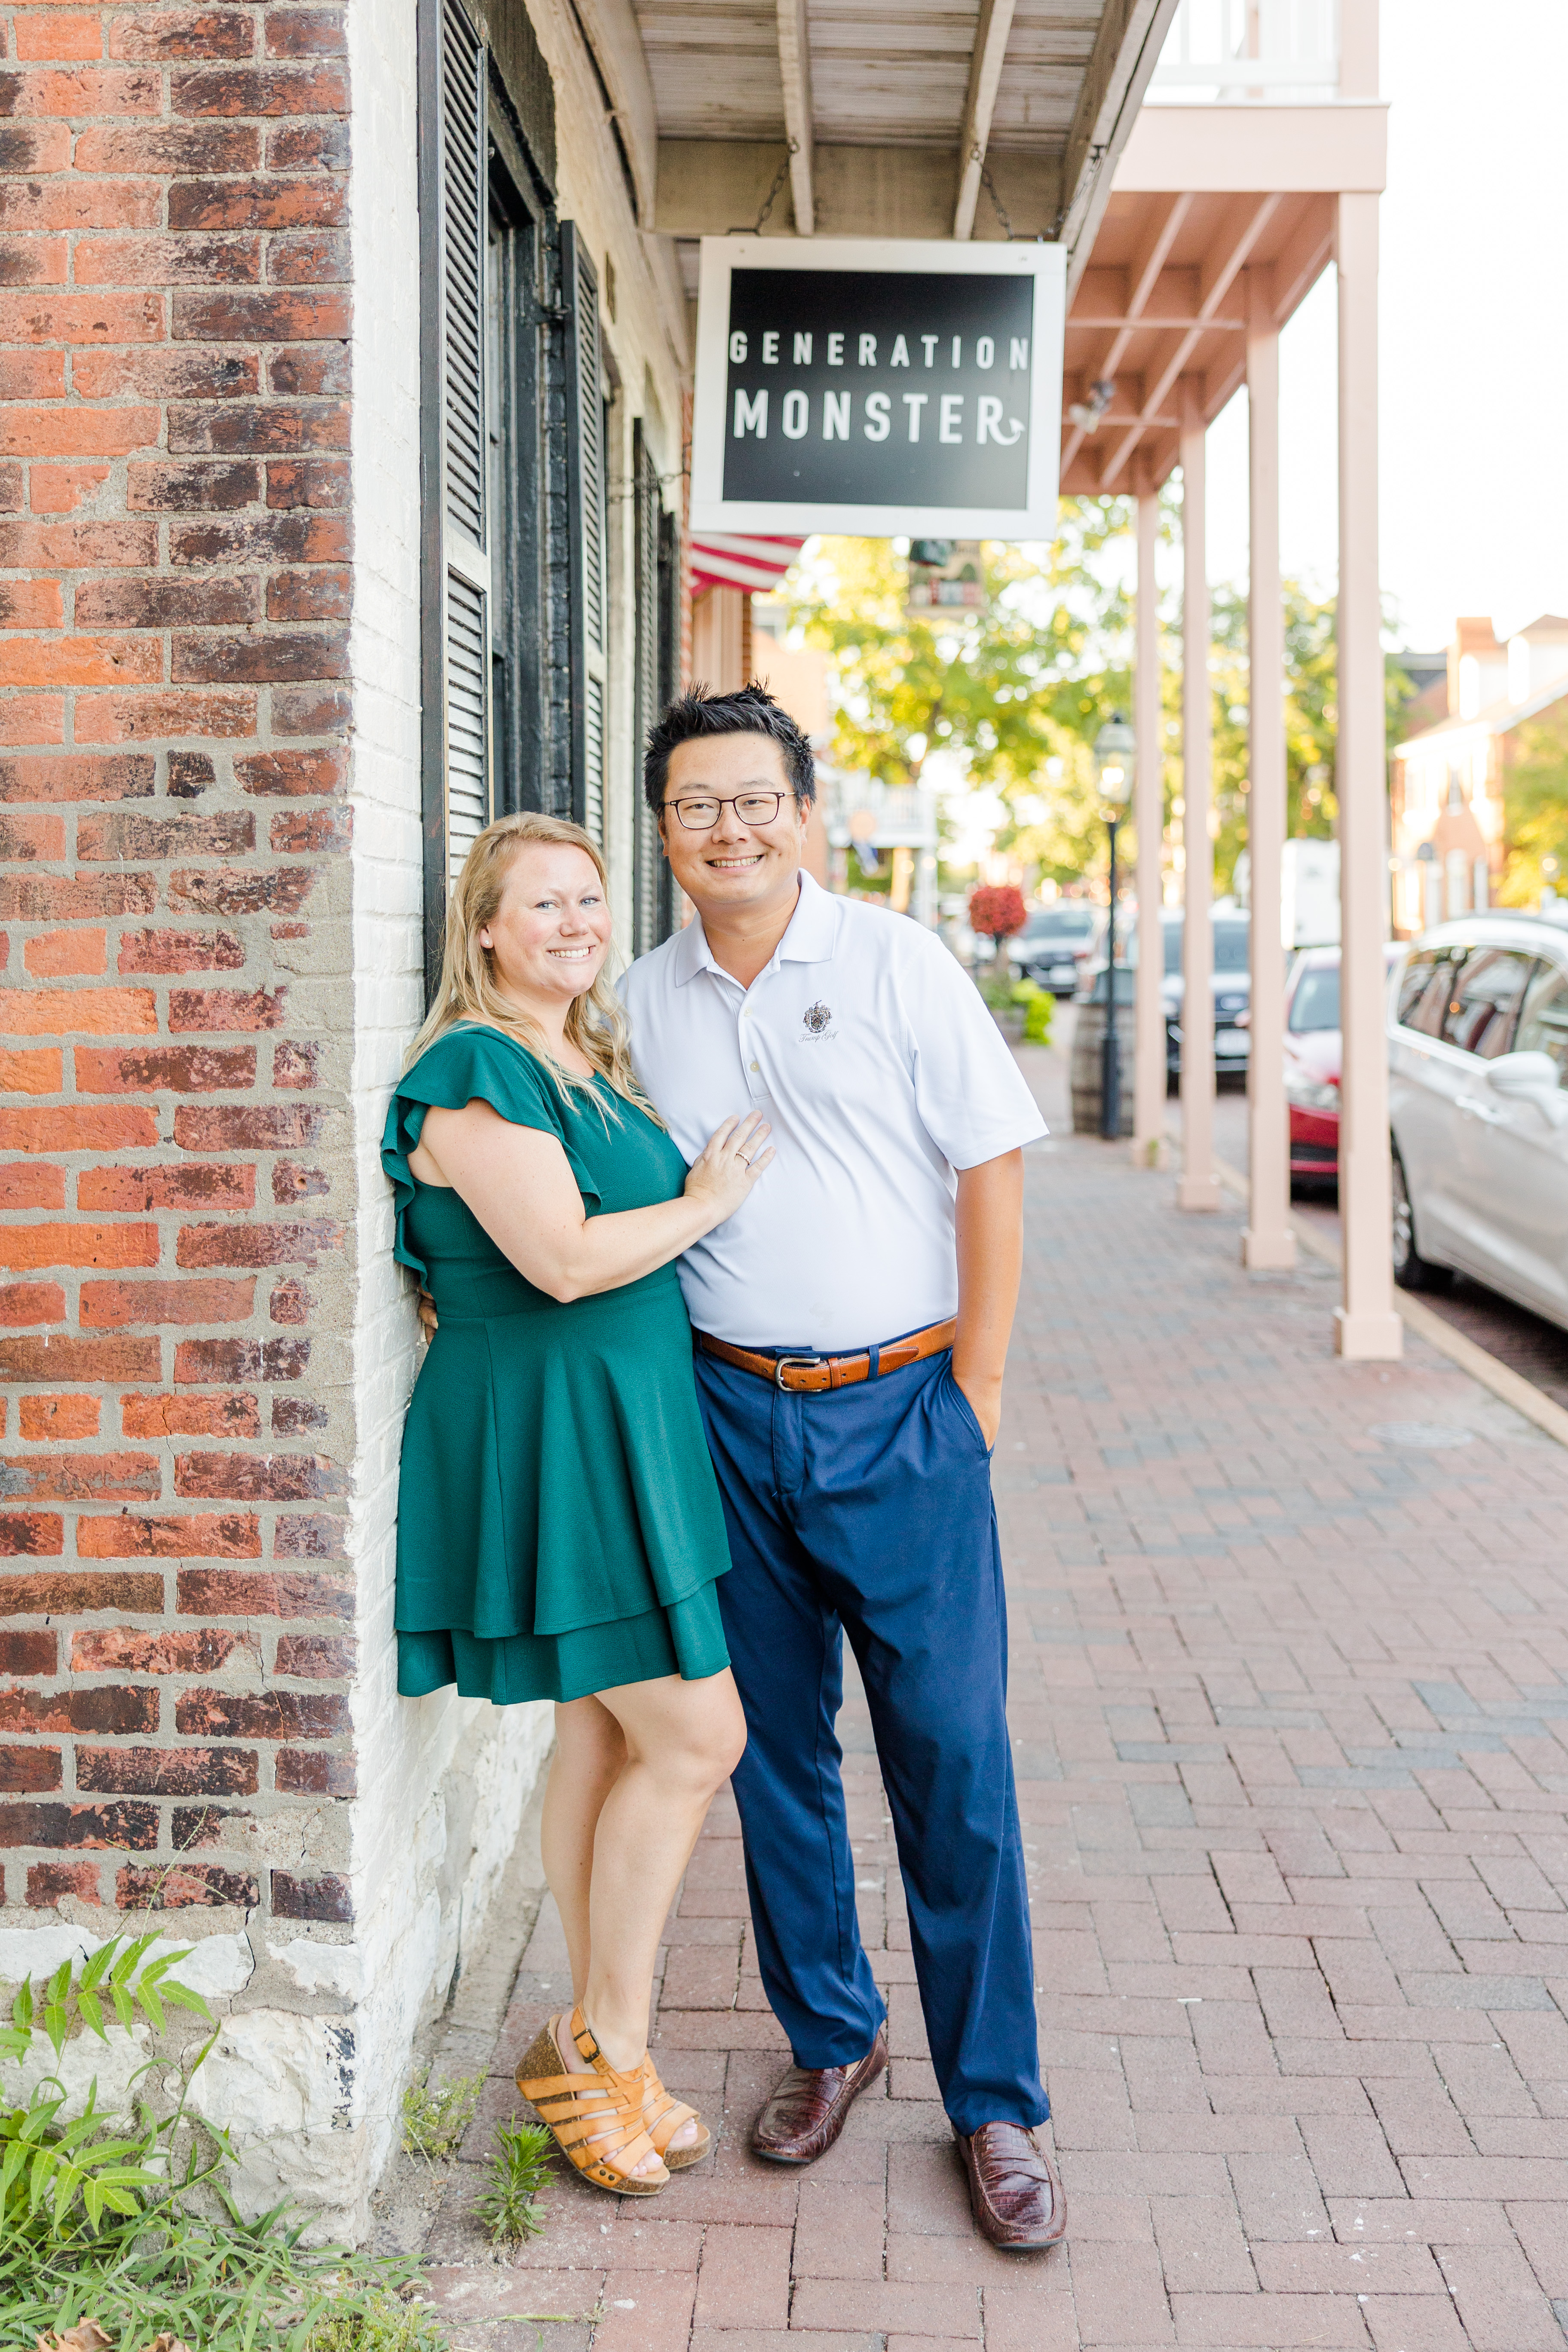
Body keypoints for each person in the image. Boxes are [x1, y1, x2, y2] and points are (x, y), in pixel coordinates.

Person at [621, 684, 1064, 2253]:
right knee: (770, 1752)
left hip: (906, 1410)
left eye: (754, 799)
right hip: (725, 1419)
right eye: (695, 805)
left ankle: (996, 2102)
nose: (726, 828)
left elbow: (989, 1162)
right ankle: (832, 2037)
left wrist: (980, 1392)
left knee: (951, 1753)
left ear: (803, 812)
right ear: (662, 827)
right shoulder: (641, 997)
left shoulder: (894, 960)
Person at [384, 810, 771, 2198]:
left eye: (590, 899)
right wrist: (711, 1199)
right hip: (553, 1430)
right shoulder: (478, 1067)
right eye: (542, 904)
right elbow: (555, 1261)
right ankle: (599, 2041)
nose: (573, 923)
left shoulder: (581, 1056)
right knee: (699, 1734)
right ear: (484, 929)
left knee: (603, 1740)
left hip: (622, 1424)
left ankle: (613, 2051)